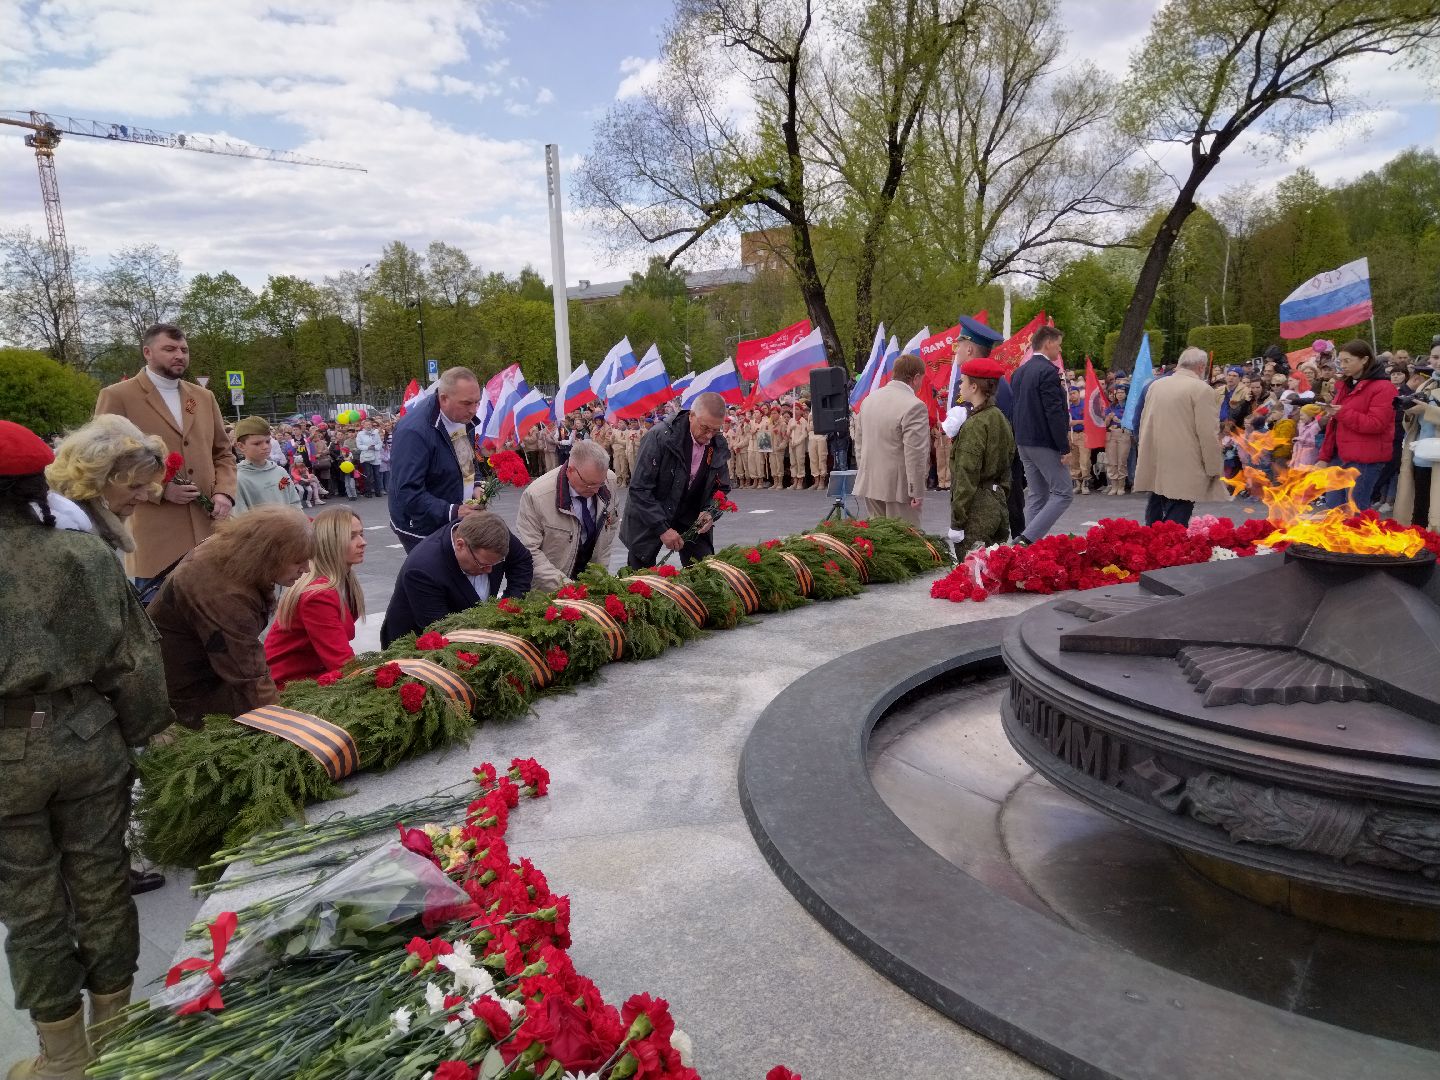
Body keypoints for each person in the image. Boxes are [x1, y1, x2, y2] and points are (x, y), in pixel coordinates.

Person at [0, 421, 173, 1080]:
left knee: (32, 910)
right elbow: (135, 659)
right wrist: (147, 731)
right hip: (87, 738)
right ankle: (117, 1039)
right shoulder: (83, 553)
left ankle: (64, 1061)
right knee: (103, 888)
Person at [93, 322, 237, 590]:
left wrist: (225, 492)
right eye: (169, 349)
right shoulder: (117, 396)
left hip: (211, 531)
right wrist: (158, 490)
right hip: (157, 538)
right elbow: (105, 461)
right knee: (163, 613)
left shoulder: (204, 397)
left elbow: (223, 453)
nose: (179, 355)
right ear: (147, 352)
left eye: (184, 349)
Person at [147, 506, 314, 729]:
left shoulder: (236, 553)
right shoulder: (224, 595)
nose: (306, 569)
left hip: (193, 672)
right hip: (183, 691)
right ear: (270, 555)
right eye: (298, 561)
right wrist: (285, 728)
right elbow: (249, 676)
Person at [381, 510, 534, 647]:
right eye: (483, 564)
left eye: (496, 563)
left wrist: (510, 605)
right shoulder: (423, 570)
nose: (489, 570)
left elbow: (522, 560)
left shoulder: (493, 533)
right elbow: (443, 629)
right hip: (417, 645)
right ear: (460, 545)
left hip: (470, 628)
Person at [620, 392, 733, 568]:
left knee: (704, 570)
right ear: (691, 416)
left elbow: (721, 487)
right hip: (651, 513)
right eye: (705, 428)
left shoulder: (717, 443)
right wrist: (662, 529)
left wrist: (710, 512)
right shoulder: (660, 437)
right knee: (640, 575)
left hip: (691, 515)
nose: (709, 435)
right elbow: (640, 488)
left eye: (715, 430)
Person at [265, 507, 367, 687]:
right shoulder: (320, 595)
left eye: (361, 534)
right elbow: (342, 664)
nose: (363, 542)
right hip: (291, 687)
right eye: (352, 536)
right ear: (331, 542)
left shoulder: (345, 581)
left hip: (312, 678)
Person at [388, 367, 484, 552]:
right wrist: (454, 511)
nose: (473, 410)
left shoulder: (461, 418)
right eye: (466, 403)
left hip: (455, 519)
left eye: (477, 402)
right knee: (439, 571)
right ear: (444, 398)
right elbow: (407, 492)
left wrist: (477, 485)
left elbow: (467, 461)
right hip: (423, 528)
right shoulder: (414, 432)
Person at [1133, 347, 1226, 526]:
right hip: (1185, 463)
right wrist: (1213, 467)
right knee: (1177, 515)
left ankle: (1150, 540)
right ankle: (1167, 543)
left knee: (1155, 507)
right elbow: (1208, 433)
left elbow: (1142, 421)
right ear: (1201, 367)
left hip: (1156, 458)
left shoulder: (1155, 385)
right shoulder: (1201, 389)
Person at [515, 440, 619, 591]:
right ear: (570, 471)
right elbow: (529, 550)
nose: (596, 490)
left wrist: (598, 577)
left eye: (600, 484)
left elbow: (611, 525)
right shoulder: (537, 496)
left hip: (591, 581)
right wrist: (565, 586)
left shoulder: (609, 480)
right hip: (550, 588)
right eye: (589, 484)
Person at [1317, 339, 1398, 510]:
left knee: (1355, 510)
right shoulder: (1345, 386)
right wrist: (1324, 457)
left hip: (1364, 460)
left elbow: (1377, 424)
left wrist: (1342, 413)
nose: (1343, 366)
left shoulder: (1384, 387)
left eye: (1347, 361)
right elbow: (1333, 427)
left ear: (1364, 360)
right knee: (1334, 508)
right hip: (1339, 455)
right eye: (1340, 361)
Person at [1009, 325, 1072, 543]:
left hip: (1023, 440)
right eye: (1059, 345)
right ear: (1048, 343)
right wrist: (1064, 447)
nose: (1060, 350)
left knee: (1038, 495)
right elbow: (1053, 412)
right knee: (1063, 492)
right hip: (1044, 441)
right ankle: (1026, 540)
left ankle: (1027, 548)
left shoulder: (1019, 372)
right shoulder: (1047, 372)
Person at [853, 352, 930, 527]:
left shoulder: (869, 400)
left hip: (871, 482)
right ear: (916, 378)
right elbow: (915, 453)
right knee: (906, 538)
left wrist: (865, 472)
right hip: (899, 489)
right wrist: (916, 490)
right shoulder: (914, 405)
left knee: (879, 538)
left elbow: (859, 443)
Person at [947, 358, 1015, 553]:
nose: (960, 385)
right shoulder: (999, 417)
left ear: (974, 386)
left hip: (976, 510)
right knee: (995, 566)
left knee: (971, 567)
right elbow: (1008, 465)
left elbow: (966, 475)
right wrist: (1000, 496)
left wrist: (957, 521)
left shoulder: (975, 425)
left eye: (963, 381)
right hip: (998, 503)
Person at [233, 416, 303, 513]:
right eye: (257, 443)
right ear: (241, 446)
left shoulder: (280, 471)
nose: (265, 447)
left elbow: (295, 503)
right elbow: (240, 515)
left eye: (267, 441)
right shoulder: (238, 478)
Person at [1103, 389, 1131, 495]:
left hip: (1123, 433)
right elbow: (1105, 424)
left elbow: (1131, 422)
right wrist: (1109, 417)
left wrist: (1119, 421)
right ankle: (1114, 485)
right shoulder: (1111, 407)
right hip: (1111, 434)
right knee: (1112, 461)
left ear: (1126, 394)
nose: (1120, 395)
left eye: (1122, 392)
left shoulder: (1129, 407)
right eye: (1118, 393)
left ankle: (1121, 486)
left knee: (1122, 461)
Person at [355, 418, 383, 499]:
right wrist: (367, 447)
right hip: (366, 456)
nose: (368, 426)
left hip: (375, 455)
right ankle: (368, 492)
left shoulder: (376, 433)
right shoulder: (360, 434)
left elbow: (379, 443)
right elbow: (359, 445)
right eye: (366, 425)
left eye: (370, 424)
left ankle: (378, 491)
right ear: (363, 426)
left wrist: (375, 447)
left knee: (377, 474)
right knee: (368, 474)